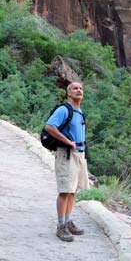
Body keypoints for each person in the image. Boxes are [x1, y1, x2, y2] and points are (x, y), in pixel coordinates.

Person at [44, 82, 89, 242]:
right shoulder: (64, 109)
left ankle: (68, 222)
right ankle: (61, 226)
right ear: (68, 93)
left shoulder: (79, 112)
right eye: (75, 88)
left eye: (81, 88)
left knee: (73, 190)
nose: (79, 90)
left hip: (79, 155)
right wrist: (68, 141)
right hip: (66, 154)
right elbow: (49, 126)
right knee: (65, 191)